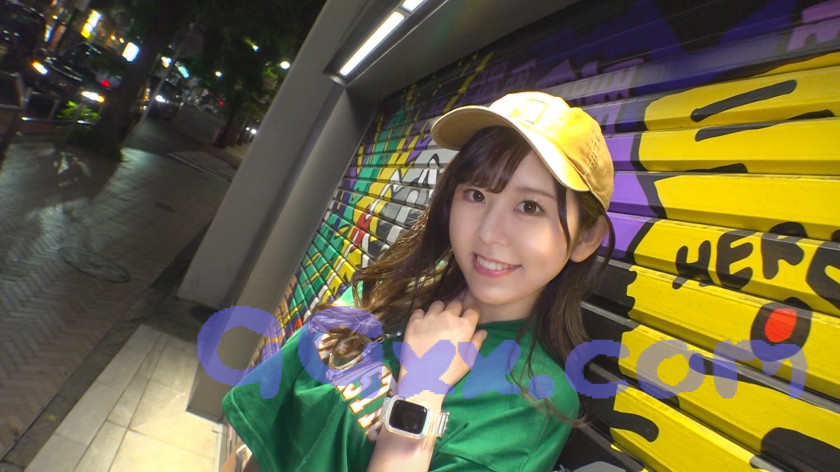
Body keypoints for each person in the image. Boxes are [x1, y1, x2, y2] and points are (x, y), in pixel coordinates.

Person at [221, 91, 615, 472]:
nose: (489, 233)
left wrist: (422, 389)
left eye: (530, 207)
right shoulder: (387, 291)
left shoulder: (532, 399)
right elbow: (267, 435)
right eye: (476, 195)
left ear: (586, 237)